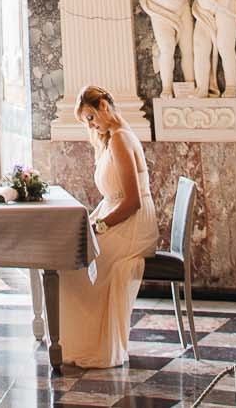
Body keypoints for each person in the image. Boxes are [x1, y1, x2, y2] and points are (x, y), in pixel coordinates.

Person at [57, 86, 157, 368]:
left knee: (73, 267)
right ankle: (82, 340)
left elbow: (132, 201)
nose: (91, 126)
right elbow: (111, 198)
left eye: (90, 118)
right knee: (70, 258)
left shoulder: (121, 139)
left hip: (134, 224)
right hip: (120, 216)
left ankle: (92, 344)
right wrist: (90, 221)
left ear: (103, 105)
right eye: (86, 122)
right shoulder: (112, 138)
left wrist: (99, 227)